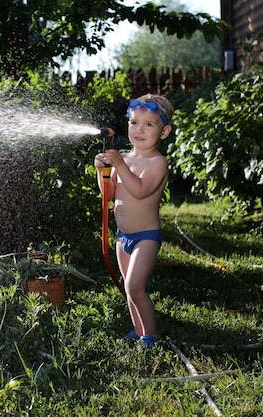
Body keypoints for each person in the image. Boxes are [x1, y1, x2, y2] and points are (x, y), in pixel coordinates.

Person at [94, 94, 174, 348]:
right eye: (134, 122)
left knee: (135, 285)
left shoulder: (157, 163)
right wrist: (102, 171)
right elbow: (110, 194)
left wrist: (119, 164)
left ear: (164, 132)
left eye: (149, 124)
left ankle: (152, 335)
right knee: (128, 289)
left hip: (145, 237)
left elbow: (139, 190)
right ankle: (138, 330)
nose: (139, 130)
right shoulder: (125, 159)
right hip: (123, 236)